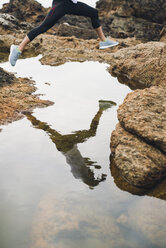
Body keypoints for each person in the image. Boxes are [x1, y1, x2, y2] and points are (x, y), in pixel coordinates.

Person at [9, 0, 119, 66]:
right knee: (43, 27)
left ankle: (103, 41)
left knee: (94, 12)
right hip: (61, 4)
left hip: (71, 4)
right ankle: (18, 49)